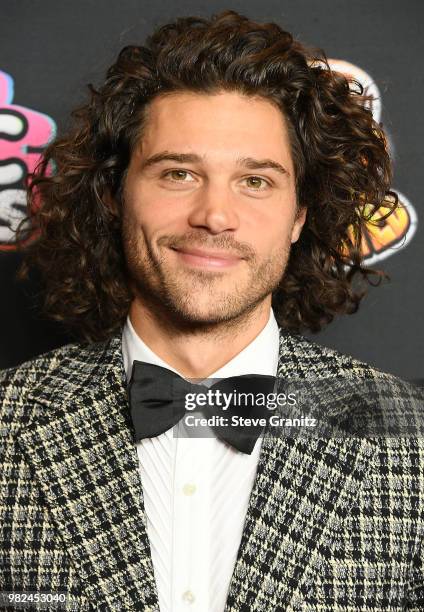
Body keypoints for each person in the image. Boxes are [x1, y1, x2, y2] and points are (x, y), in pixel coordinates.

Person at [1, 9, 423, 612]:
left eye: (255, 181)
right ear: (116, 196)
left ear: (301, 214)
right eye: (178, 173)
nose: (214, 216)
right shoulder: (7, 423)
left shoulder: (411, 441)